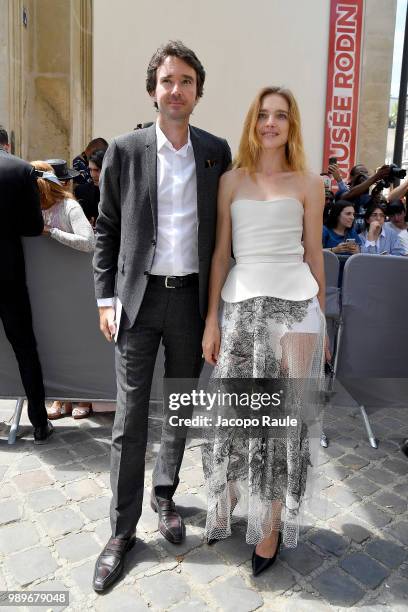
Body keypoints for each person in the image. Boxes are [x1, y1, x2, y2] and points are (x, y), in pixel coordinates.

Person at [92, 40, 231, 592]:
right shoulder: (125, 151)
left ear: (198, 92)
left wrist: (218, 311)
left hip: (192, 300)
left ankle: (165, 495)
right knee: (129, 420)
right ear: (153, 90)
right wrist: (106, 299)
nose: (176, 89)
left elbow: (225, 233)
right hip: (138, 301)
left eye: (187, 81)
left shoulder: (216, 152)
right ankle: (122, 532)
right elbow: (106, 229)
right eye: (167, 80)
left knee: (179, 406)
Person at [201, 87, 326, 577]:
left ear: (292, 125)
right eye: (263, 115)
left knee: (284, 426)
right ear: (253, 122)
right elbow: (220, 255)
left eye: (281, 116)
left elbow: (314, 255)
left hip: (297, 314)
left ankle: (270, 525)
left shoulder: (310, 185)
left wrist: (324, 317)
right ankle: (227, 495)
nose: (271, 123)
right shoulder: (231, 181)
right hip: (242, 309)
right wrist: (212, 318)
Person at [0, 127, 53, 444]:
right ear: (7, 144)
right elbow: (33, 227)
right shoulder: (21, 169)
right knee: (25, 349)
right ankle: (38, 422)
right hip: (7, 273)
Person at [31, 161, 96, 420]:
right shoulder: (32, 209)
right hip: (48, 288)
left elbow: (89, 242)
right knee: (55, 343)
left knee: (79, 340)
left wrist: (52, 232)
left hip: (75, 286)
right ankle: (60, 396)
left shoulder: (70, 207)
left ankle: (85, 397)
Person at [74, 149, 106, 224]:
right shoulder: (81, 191)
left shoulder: (119, 193)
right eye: (90, 170)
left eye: (97, 170)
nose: (92, 175)